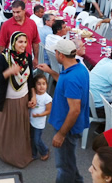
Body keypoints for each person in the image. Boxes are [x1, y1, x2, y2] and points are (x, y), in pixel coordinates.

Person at [37, 40, 90, 183]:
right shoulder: (79, 68)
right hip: (70, 127)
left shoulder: (71, 78)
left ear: (60, 55)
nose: (55, 54)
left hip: (67, 129)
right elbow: (64, 83)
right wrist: (51, 72)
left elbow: (74, 110)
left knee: (64, 167)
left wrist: (61, 134)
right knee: (69, 161)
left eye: (55, 52)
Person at [0, 32, 36, 168]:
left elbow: (30, 80)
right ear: (13, 43)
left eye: (25, 42)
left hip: (23, 98)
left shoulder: (27, 57)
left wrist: (33, 95)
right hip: (8, 100)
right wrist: (8, 72)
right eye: (20, 42)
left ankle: (20, 154)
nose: (23, 45)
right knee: (5, 128)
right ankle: (7, 153)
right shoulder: (4, 58)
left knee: (20, 129)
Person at [30, 74, 52, 161]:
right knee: (32, 138)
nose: (41, 86)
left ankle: (45, 151)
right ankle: (33, 154)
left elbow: (49, 110)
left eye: (44, 84)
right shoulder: (34, 95)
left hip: (39, 123)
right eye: (39, 84)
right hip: (31, 121)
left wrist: (40, 115)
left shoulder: (47, 98)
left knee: (37, 140)